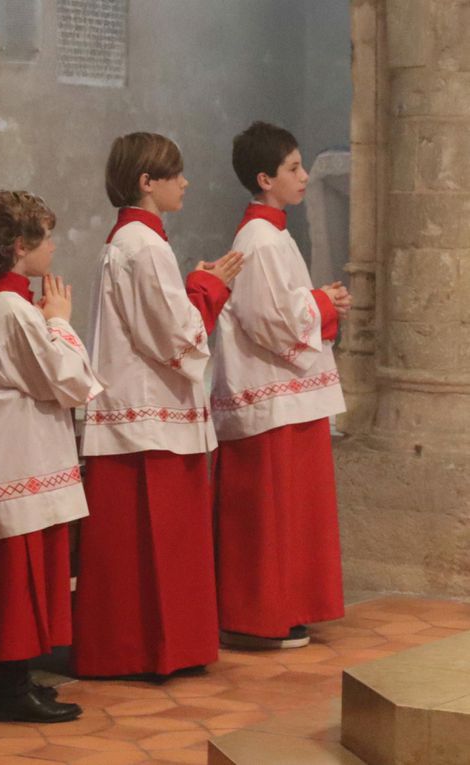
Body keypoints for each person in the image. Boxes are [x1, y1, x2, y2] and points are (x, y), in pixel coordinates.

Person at [73, 132, 243, 678]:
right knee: (156, 547)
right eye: (176, 174)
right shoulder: (144, 247)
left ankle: (138, 648)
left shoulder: (125, 242)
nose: (185, 182)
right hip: (150, 419)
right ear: (148, 182)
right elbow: (174, 337)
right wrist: (208, 286)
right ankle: (152, 650)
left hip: (142, 414)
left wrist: (196, 283)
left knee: (136, 551)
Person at [0, 190, 103, 722]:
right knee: (14, 580)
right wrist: (60, 320)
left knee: (25, 575)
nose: (55, 247)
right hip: (14, 461)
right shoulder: (13, 310)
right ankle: (9, 688)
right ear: (20, 246)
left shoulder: (6, 302)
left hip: (17, 457)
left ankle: (18, 681)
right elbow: (70, 381)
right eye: (47, 237)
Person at [210, 122, 351, 649]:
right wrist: (321, 305)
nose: (305, 176)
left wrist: (319, 300)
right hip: (268, 401)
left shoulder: (274, 233)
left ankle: (287, 608)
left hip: (288, 400)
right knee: (266, 518)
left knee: (292, 517)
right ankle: (258, 616)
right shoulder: (258, 239)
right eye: (294, 168)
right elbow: (268, 320)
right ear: (265, 178)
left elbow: (281, 306)